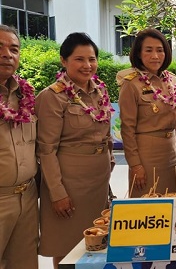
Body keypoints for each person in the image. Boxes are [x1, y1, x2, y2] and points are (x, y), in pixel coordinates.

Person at [36, 32, 114, 268]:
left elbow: (106, 135)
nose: (87, 65)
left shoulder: (100, 92)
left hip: (98, 180)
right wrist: (57, 193)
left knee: (97, 242)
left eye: (92, 59)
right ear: (63, 60)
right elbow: (46, 150)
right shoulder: (52, 97)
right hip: (69, 182)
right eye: (79, 59)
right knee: (67, 244)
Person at [117, 28, 176, 197]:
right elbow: (127, 128)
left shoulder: (172, 80)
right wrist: (135, 165)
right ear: (139, 53)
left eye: (160, 50)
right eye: (148, 50)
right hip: (146, 155)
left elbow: (175, 117)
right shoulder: (131, 84)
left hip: (171, 153)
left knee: (170, 204)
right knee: (147, 207)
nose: (155, 56)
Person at [0, 25, 38, 269]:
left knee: (24, 264)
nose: (7, 54)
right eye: (0, 48)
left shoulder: (24, 94)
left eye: (14, 49)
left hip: (27, 196)